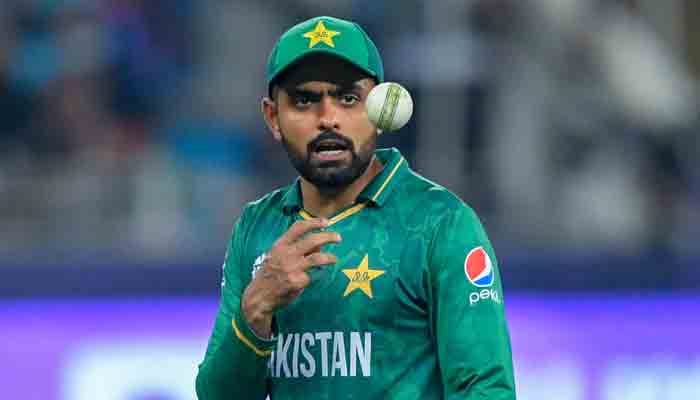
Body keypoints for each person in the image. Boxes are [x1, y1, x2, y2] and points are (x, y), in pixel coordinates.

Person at [196, 16, 516, 400]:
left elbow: (485, 389)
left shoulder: (440, 222)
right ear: (272, 117)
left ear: (382, 109)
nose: (328, 118)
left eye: (348, 98)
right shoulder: (256, 226)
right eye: (304, 100)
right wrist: (256, 309)